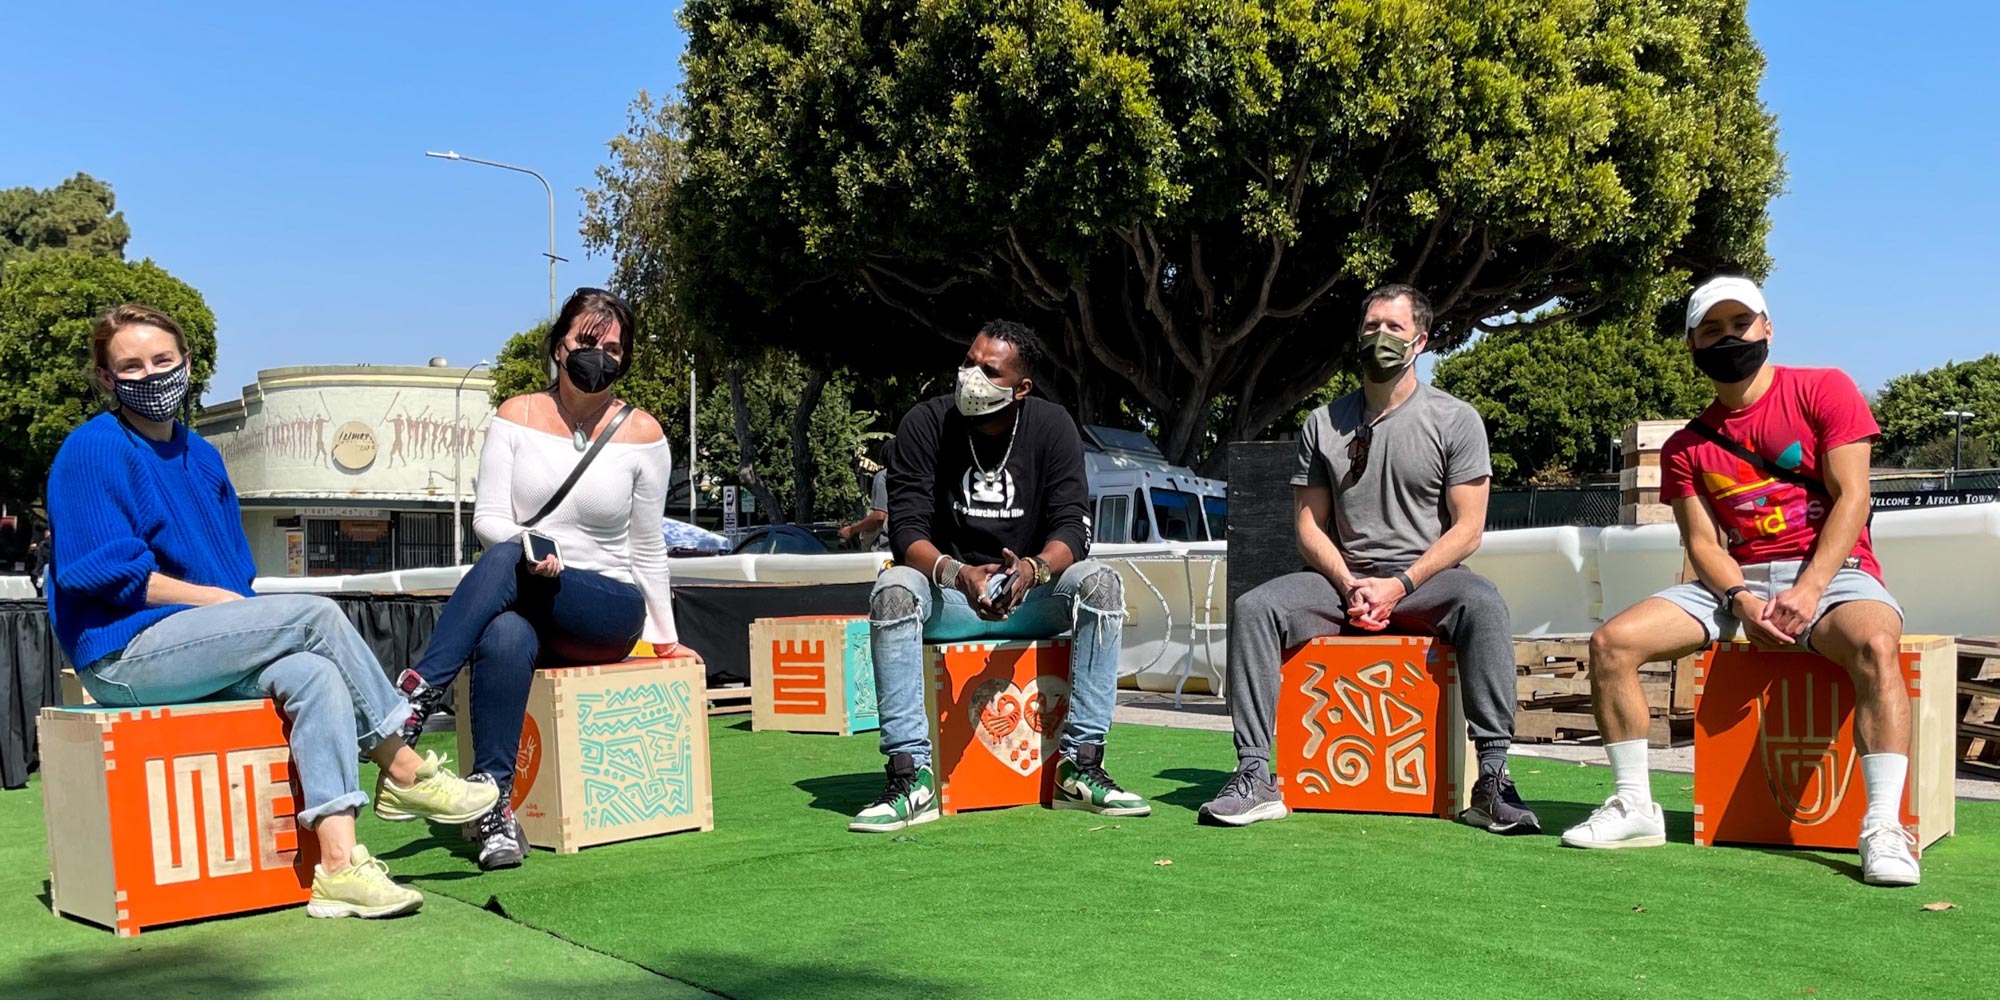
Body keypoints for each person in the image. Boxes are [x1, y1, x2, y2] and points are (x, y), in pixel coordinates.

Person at [47, 303, 496, 920]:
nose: (150, 376)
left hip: (201, 644)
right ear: (105, 379)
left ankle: (339, 868)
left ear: (186, 363)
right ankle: (403, 765)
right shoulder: (91, 450)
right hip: (123, 652)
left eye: (163, 360)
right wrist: (217, 604)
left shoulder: (203, 456)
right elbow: (94, 571)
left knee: (316, 673)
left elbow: (233, 574)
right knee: (311, 616)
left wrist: (237, 615)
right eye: (131, 366)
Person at [1562, 276, 1920, 884]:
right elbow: (1703, 543)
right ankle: (1634, 806)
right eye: (1712, 330)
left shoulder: (1823, 389)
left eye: (1740, 325)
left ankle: (1883, 826)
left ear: (1767, 329)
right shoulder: (1684, 446)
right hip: (1736, 584)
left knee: (1876, 645)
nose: (1729, 338)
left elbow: (1853, 498)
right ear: (1692, 346)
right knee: (1611, 644)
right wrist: (1742, 599)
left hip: (1833, 573)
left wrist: (1807, 590)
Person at [1199, 284, 1537, 833]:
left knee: (1484, 604)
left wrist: (1398, 585)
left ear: (1421, 341)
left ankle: (1493, 780)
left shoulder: (1456, 419)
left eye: (1395, 328)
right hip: (1341, 583)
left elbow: (1468, 530)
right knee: (1256, 608)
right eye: (1371, 327)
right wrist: (1351, 580)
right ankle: (1255, 774)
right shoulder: (1321, 423)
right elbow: (1308, 525)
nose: (1380, 337)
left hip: (1427, 580)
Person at [396, 288, 695, 870]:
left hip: (605, 607)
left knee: (508, 561)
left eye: (614, 348)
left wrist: (665, 637)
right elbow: (487, 519)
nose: (600, 357)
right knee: (505, 633)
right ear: (560, 345)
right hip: (530, 595)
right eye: (588, 343)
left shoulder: (644, 434)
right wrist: (532, 547)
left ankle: (414, 697)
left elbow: (646, 545)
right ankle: (492, 812)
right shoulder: (515, 415)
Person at [850, 319, 1149, 832]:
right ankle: (909, 776)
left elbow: (1073, 531)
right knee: (894, 588)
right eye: (969, 361)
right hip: (950, 597)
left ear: (1021, 388)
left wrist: (1032, 570)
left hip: (1030, 597)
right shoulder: (925, 423)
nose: (970, 375)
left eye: (988, 370)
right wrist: (956, 571)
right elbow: (906, 532)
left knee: (1101, 583)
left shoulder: (1052, 426)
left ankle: (1081, 766)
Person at [837, 461, 891, 552]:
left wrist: (851, 530)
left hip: (888, 548)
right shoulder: (920, 475)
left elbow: (879, 517)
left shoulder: (884, 476)